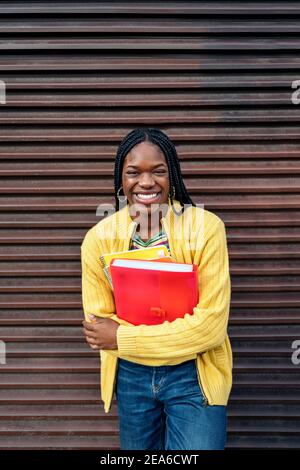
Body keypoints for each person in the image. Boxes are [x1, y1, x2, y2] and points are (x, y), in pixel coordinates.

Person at [81, 128, 232, 450]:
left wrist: (122, 336)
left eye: (158, 171)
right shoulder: (99, 238)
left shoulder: (206, 229)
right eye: (134, 172)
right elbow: (98, 328)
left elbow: (210, 329)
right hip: (131, 375)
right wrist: (171, 335)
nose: (146, 182)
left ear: (172, 174)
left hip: (194, 371)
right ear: (120, 178)